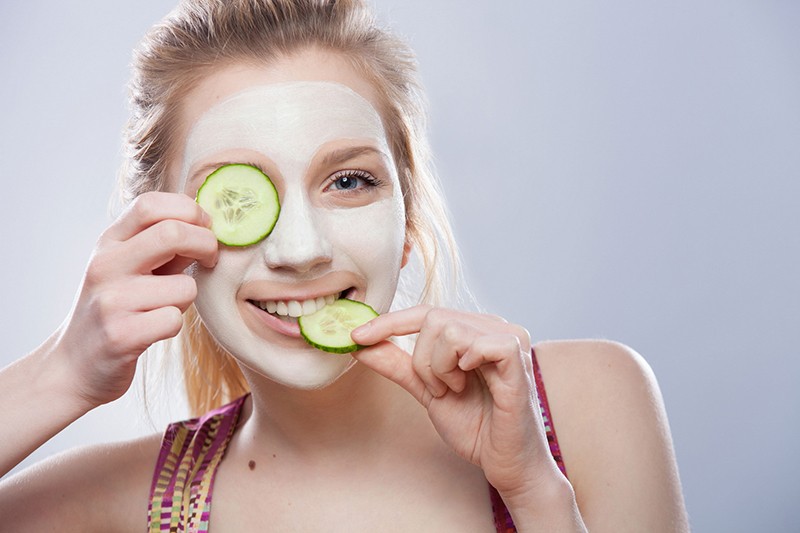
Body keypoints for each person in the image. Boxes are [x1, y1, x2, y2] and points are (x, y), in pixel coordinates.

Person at [0, 0, 689, 530]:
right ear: (161, 239)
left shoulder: (584, 403)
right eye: (239, 193)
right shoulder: (117, 502)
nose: (301, 250)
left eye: (349, 181)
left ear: (409, 217)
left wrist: (538, 494)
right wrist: (61, 374)